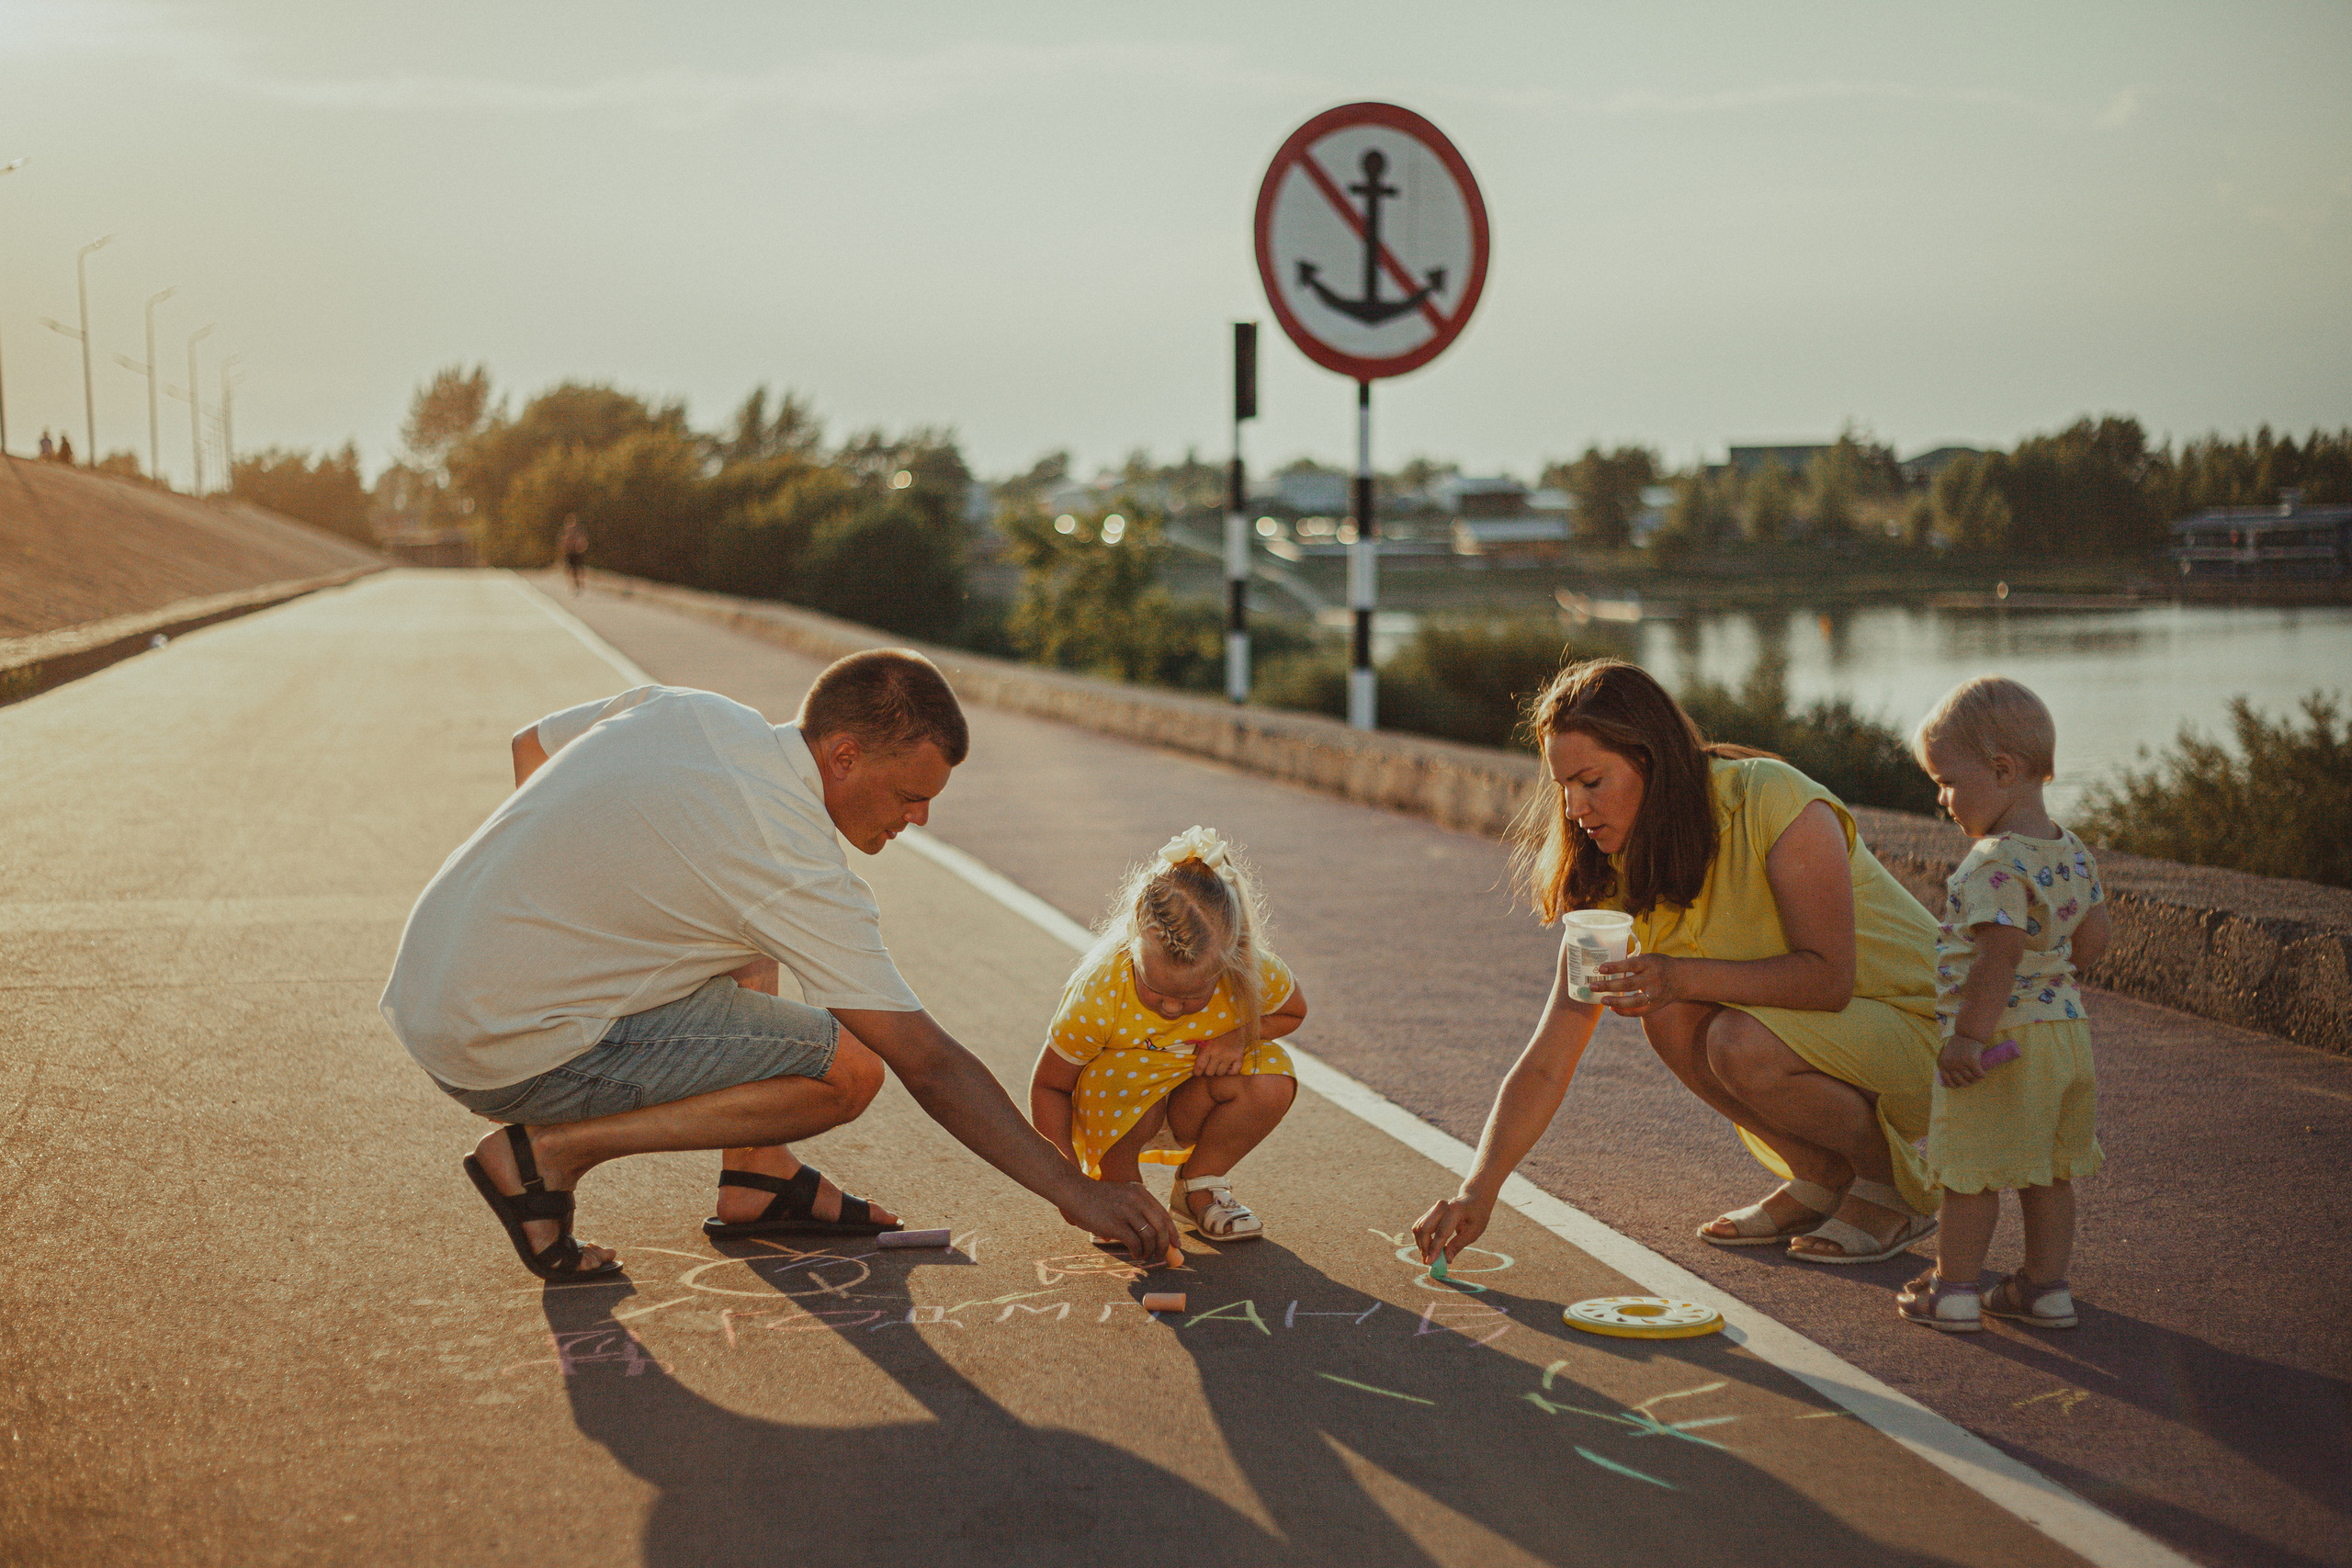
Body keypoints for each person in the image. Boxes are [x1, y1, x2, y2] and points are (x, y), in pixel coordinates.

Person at [380, 649, 1175, 1280]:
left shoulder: (693, 711)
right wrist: (1076, 1192)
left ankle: (756, 1177)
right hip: (502, 1049)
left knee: (733, 927)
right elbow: (928, 1065)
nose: (920, 819)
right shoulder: (793, 865)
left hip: (429, 984)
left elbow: (531, 747)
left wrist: (586, 905)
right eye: (907, 794)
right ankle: (548, 1157)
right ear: (844, 753)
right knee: (851, 1068)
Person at [1413, 660, 1945, 1272]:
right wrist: (1477, 1192)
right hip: (1841, 1045)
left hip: (1945, 1039)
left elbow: (1827, 978)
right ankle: (1821, 1177)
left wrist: (1682, 974)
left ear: (1649, 759)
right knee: (1670, 1016)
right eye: (1564, 786)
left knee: (1733, 1037)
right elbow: (1548, 1058)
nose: (1574, 807)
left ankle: (1891, 1189)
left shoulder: (1767, 797)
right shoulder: (1612, 872)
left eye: (1590, 780)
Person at [1896, 677, 2109, 1332]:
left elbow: (2000, 952)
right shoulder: (2071, 850)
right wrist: (2060, 974)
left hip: (2000, 1040)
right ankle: (2046, 1289)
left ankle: (1954, 1289)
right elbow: (2095, 940)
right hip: (2065, 1034)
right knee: (2049, 1170)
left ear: (2003, 770)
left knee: (1970, 1171)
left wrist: (1968, 1037)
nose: (1942, 799)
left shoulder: (1992, 860)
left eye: (1949, 781)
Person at [1028, 827, 1307, 1240]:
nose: (1172, 1007)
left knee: (1272, 1074)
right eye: (1155, 990)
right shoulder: (1098, 995)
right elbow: (1050, 1087)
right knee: (1115, 1078)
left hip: (1190, 1095)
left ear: (1232, 957)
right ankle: (1117, 1193)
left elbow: (1293, 1012)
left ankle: (1199, 1187)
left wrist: (1238, 1037)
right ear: (1134, 939)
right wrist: (1072, 1188)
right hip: (1119, 1108)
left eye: (1194, 993)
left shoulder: (1250, 970)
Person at [558, 514, 590, 595]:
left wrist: (582, 548)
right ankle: (575, 583)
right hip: (570, 552)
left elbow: (583, 541)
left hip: (577, 552)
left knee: (578, 568)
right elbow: (563, 542)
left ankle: (578, 582)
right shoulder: (567, 531)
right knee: (571, 569)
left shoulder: (578, 531)